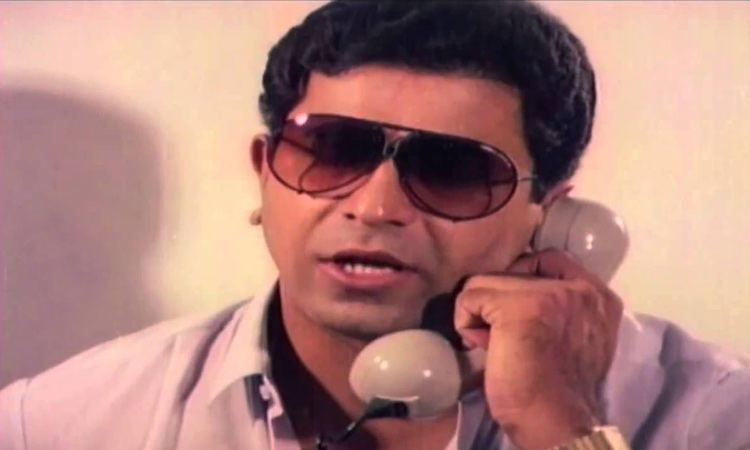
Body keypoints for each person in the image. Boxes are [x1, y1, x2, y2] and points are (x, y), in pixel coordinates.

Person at [1, 1, 748, 449]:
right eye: (333, 150)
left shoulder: (715, 414)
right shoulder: (61, 423)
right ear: (264, 172)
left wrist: (561, 426)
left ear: (549, 218)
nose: (375, 206)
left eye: (452, 170)